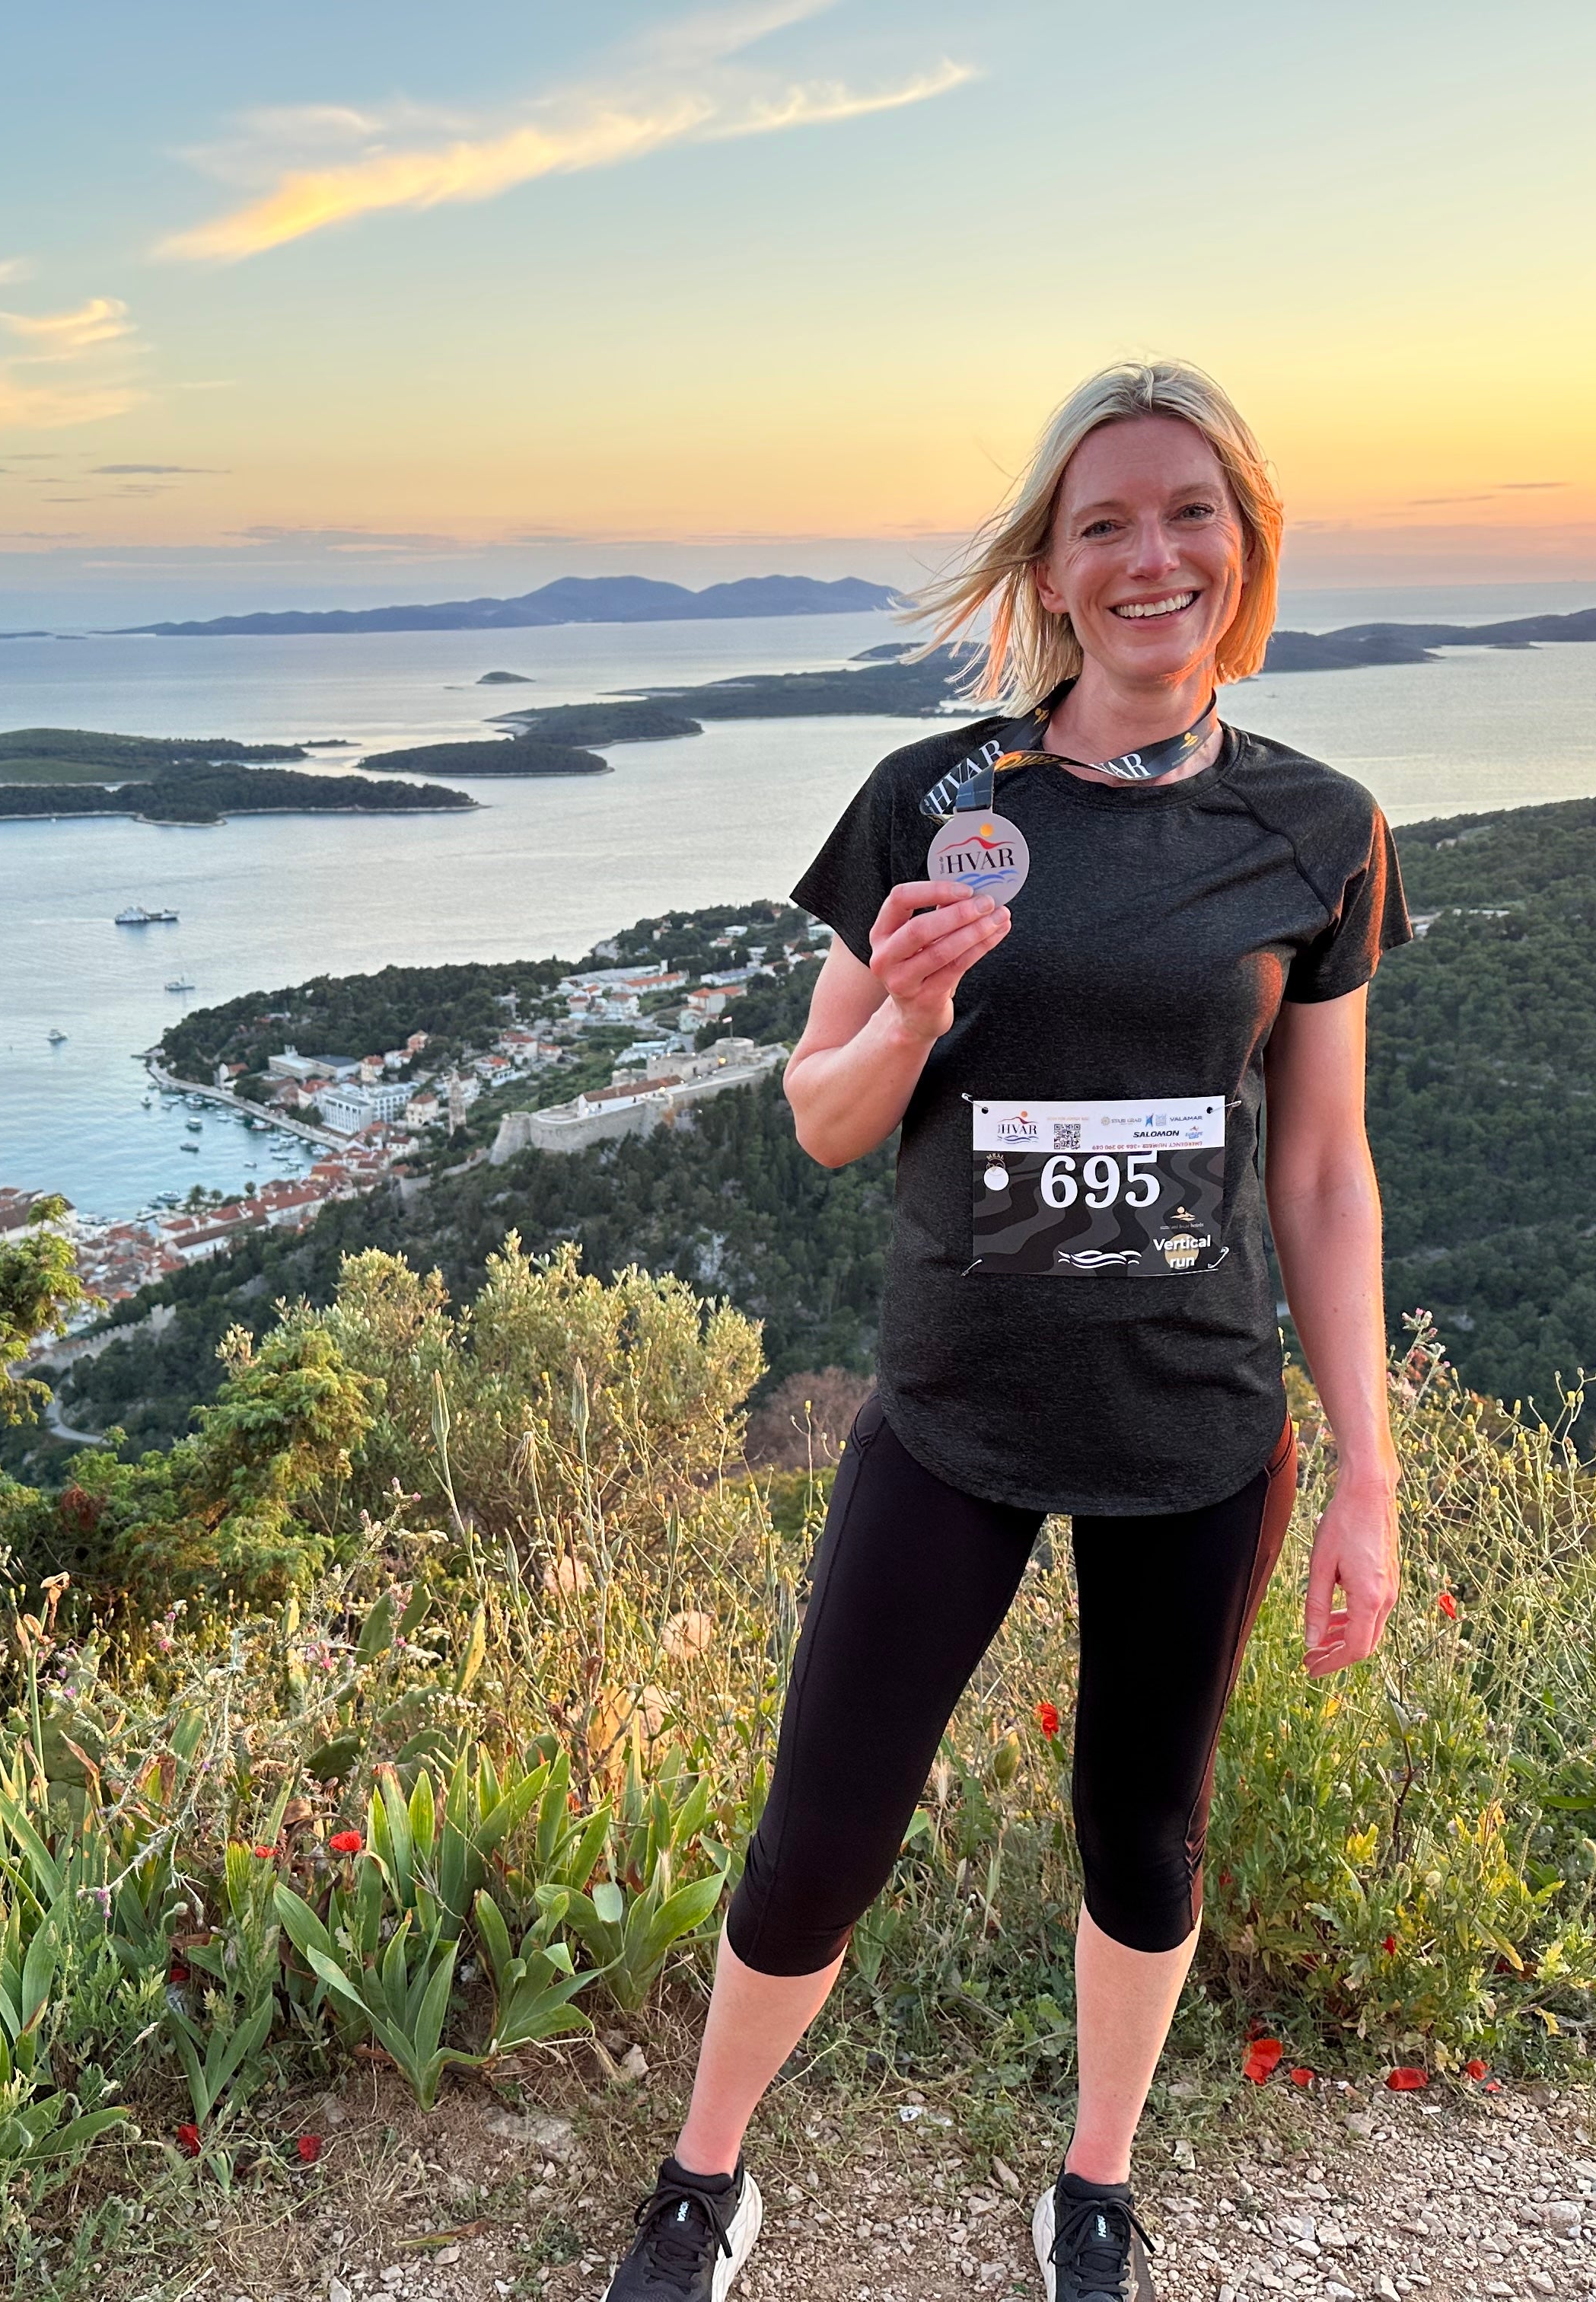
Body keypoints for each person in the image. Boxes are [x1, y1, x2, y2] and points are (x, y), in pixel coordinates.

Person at [599, 361, 1408, 2302]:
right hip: (954, 1414)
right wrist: (898, 1018)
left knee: (1147, 1836)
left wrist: (1369, 1472)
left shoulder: (1321, 828)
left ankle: (1096, 2185)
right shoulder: (931, 802)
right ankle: (708, 2175)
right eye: (1103, 524)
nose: (1152, 556)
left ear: (1246, 543)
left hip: (1198, 1429)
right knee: (818, 1832)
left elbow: (1320, 1173)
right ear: (1046, 570)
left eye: (1188, 514)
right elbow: (820, 1118)